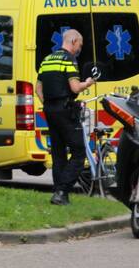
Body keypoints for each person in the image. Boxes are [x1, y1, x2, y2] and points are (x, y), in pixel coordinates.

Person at [36, 29, 96, 205]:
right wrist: (88, 83)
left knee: (58, 153)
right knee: (79, 153)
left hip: (49, 110)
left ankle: (59, 193)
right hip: (65, 110)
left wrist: (49, 104)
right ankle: (62, 191)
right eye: (80, 45)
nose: (79, 49)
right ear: (74, 41)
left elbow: (38, 89)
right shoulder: (69, 60)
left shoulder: (47, 60)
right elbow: (75, 87)